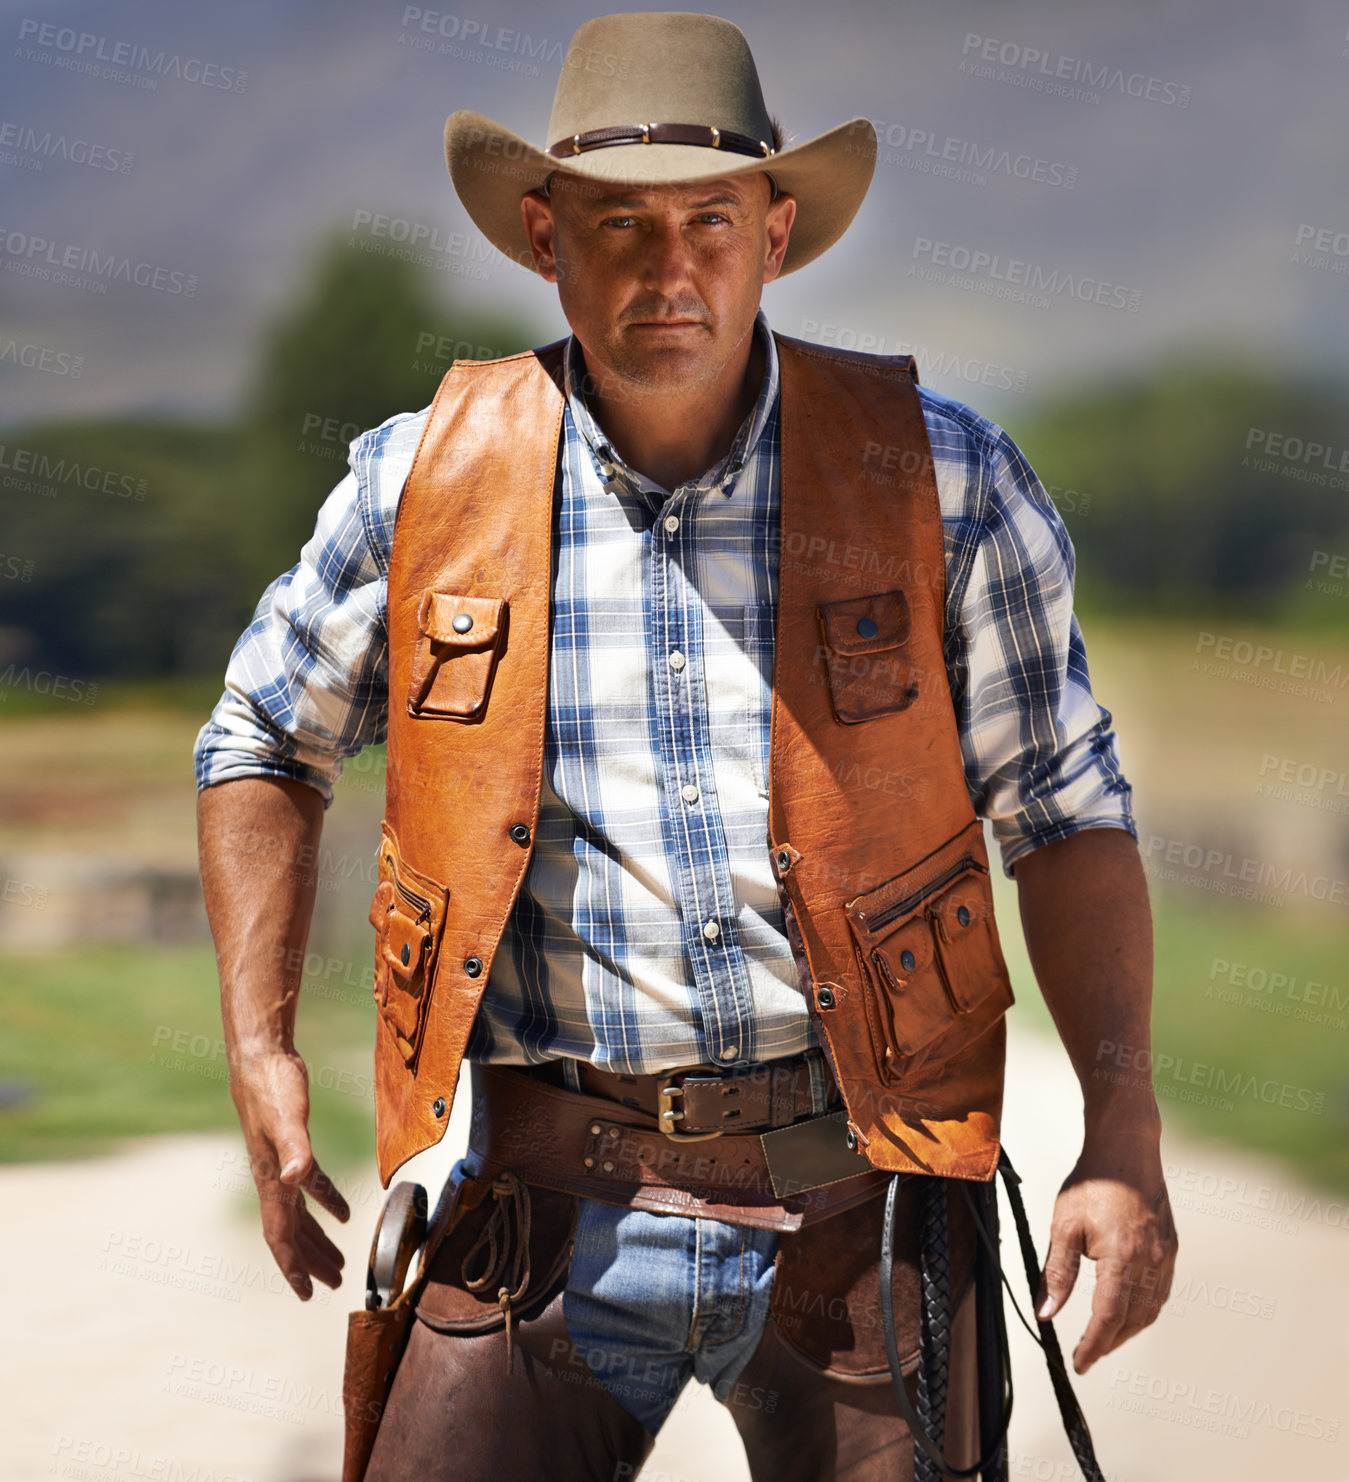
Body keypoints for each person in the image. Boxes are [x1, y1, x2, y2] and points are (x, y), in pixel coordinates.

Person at [194, 12, 1177, 1481]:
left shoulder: (945, 478)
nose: (670, 269)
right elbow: (265, 735)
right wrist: (259, 1045)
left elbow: (1065, 812)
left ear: (774, 233)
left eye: (709, 219)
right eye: (616, 223)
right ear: (543, 236)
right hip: (536, 1209)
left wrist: (1120, 1131)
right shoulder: (422, 482)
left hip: (867, 1206)